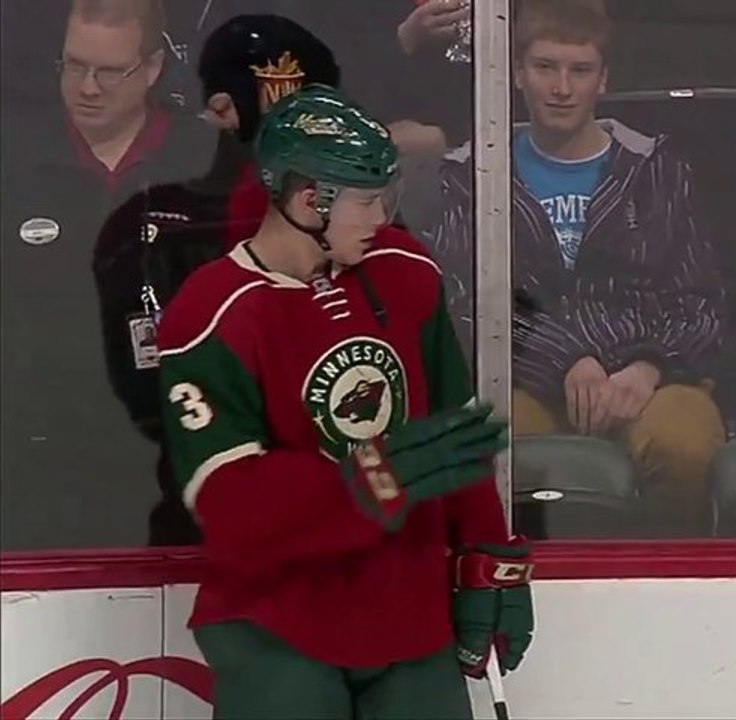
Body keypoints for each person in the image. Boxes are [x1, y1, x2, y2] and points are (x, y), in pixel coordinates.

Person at [156, 84, 533, 718]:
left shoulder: (405, 269)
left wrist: (486, 556)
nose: (381, 217)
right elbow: (228, 499)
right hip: (277, 626)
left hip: (408, 617)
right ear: (309, 200)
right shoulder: (210, 313)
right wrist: (370, 481)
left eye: (386, 196)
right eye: (365, 200)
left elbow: (452, 433)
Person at [432, 0, 727, 530]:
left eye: (580, 70)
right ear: (516, 73)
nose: (562, 88)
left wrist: (646, 366)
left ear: (603, 79)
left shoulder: (656, 169)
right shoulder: (471, 173)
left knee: (683, 445)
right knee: (488, 446)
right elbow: (462, 301)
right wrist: (565, 360)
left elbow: (702, 302)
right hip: (522, 378)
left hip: (652, 379)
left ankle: (660, 577)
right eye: (545, 67)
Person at [92, 13, 343, 546]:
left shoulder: (362, 222)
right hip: (199, 512)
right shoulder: (155, 225)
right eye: (286, 108)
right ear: (222, 110)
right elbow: (146, 391)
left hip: (343, 515)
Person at [0, 0, 214, 549]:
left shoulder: (208, 164)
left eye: (109, 71)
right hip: (37, 466)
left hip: (180, 458)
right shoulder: (14, 161)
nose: (88, 88)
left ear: (151, 68)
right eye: (75, 66)